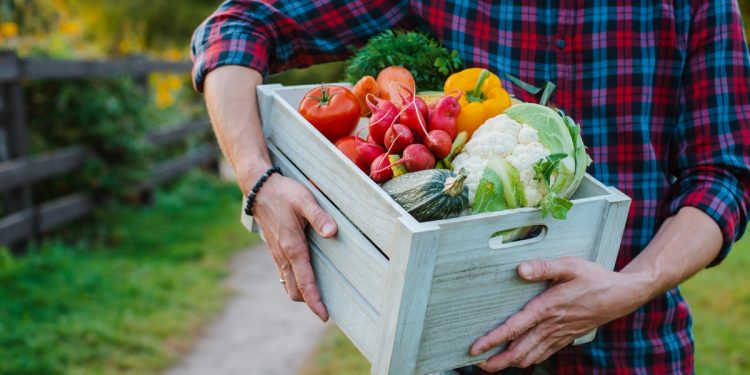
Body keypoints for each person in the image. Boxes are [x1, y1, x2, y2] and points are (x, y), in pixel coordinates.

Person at [190, 1, 750, 373]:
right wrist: (257, 181)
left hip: (634, 346)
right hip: (453, 350)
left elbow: (724, 174)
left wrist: (633, 285)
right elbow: (234, 27)